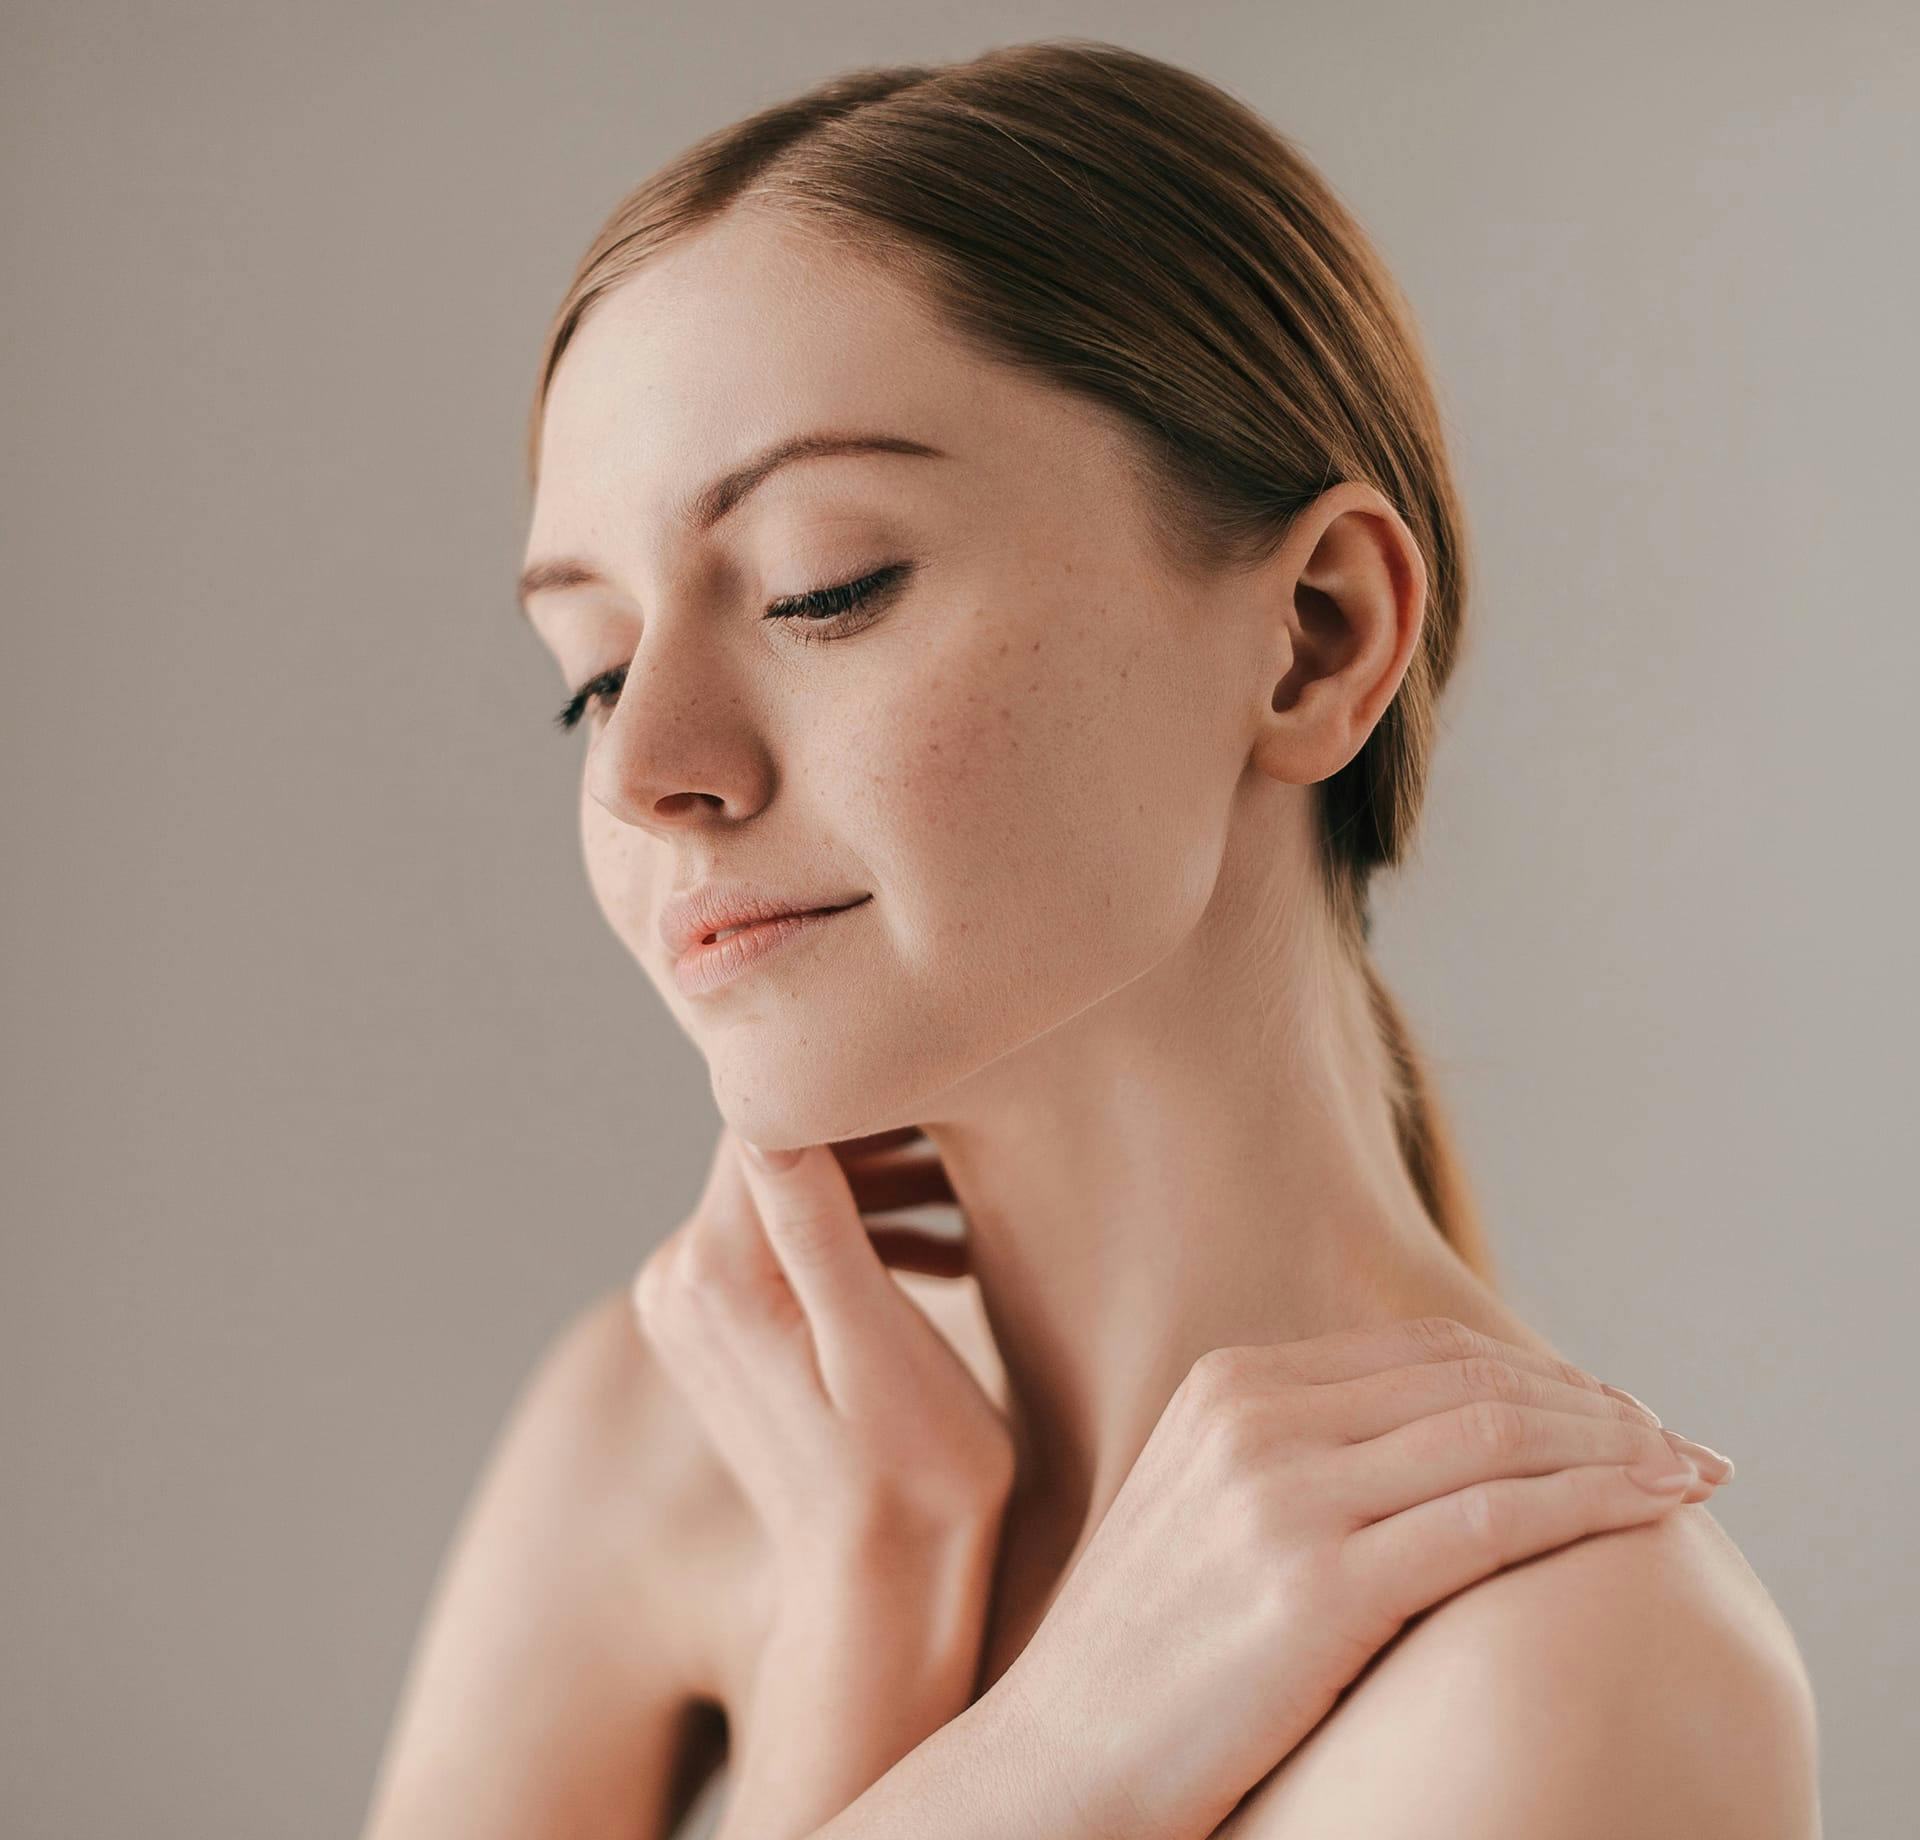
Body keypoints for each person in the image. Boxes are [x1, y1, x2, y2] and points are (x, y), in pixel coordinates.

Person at [361, 38, 1819, 1840]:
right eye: (588, 675)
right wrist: (910, 1675)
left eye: (825, 585)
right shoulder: (666, 1441)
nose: (650, 767)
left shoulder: (1566, 1671)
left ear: (1313, 635)